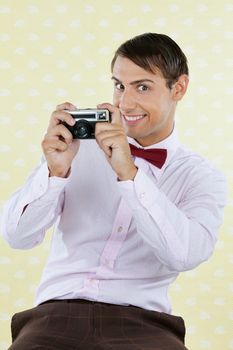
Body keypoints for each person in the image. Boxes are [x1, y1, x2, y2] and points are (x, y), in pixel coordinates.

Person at [1, 33, 227, 350]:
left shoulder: (202, 177)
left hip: (145, 323)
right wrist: (54, 172)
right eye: (120, 86)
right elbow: (17, 236)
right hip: (56, 316)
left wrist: (128, 174)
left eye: (143, 87)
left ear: (179, 88)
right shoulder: (75, 149)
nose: (125, 103)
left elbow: (184, 255)